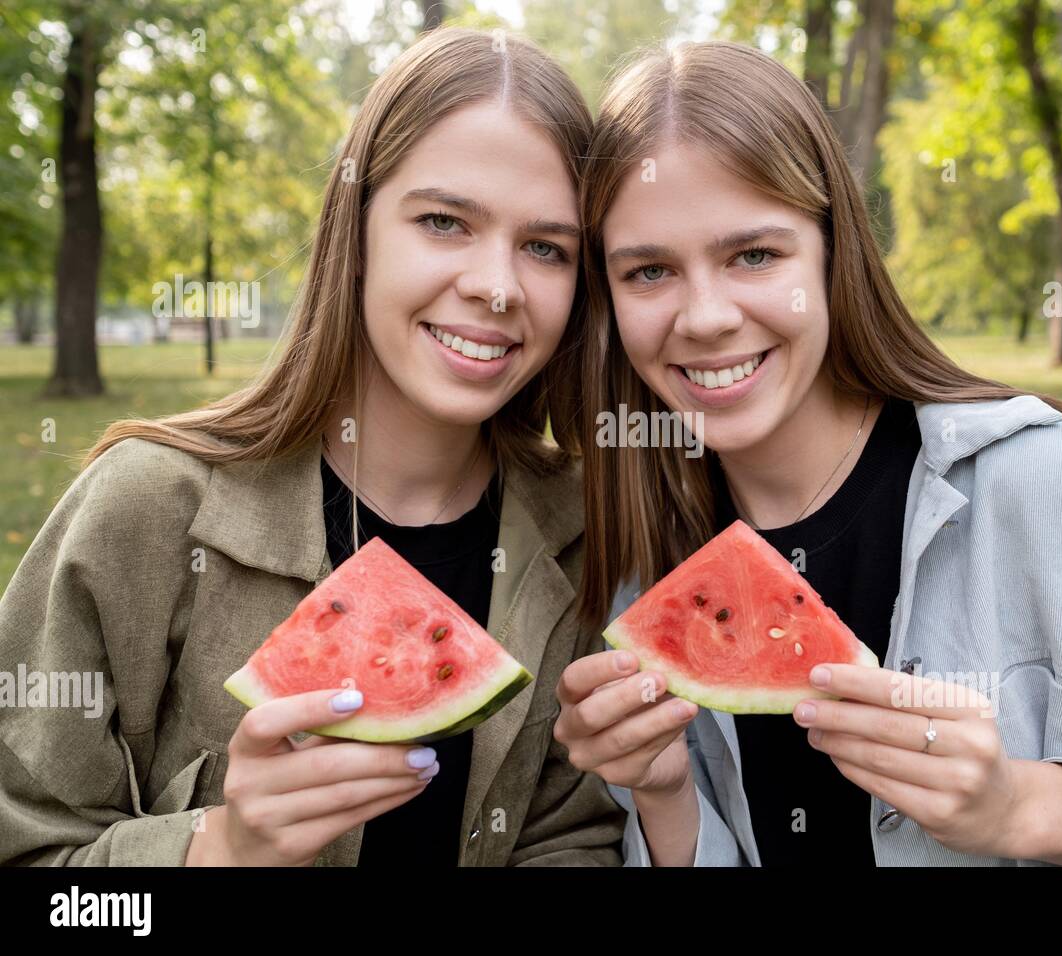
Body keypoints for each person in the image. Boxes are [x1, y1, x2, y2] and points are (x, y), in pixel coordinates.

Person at [554, 40, 1062, 867]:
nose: (704, 317)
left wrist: (1031, 810)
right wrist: (664, 799)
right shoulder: (648, 568)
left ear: (835, 253)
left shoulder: (1055, 485)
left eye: (754, 255)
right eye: (649, 272)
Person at [0, 27, 623, 867]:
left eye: (545, 248)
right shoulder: (144, 508)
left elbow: (572, 838)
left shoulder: (581, 533)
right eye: (444, 222)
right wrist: (219, 845)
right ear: (355, 233)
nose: (497, 286)